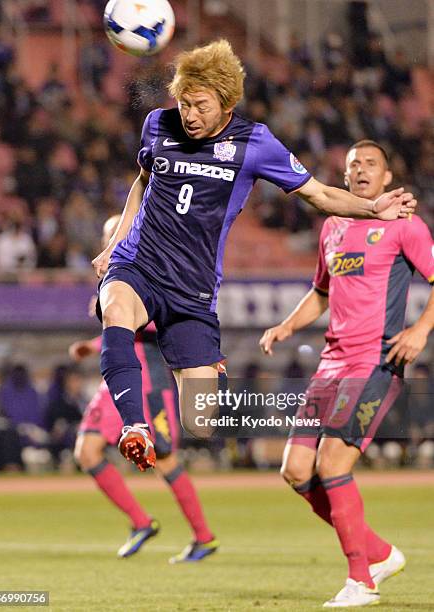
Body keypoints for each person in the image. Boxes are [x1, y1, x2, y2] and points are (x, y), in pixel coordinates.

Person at [91, 40, 416, 471]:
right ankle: (136, 427)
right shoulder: (158, 125)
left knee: (200, 422)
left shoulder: (255, 143)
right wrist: (115, 246)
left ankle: (207, 380)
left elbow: (318, 194)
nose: (189, 115)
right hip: (140, 263)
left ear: (226, 103)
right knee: (115, 310)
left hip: (192, 288)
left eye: (201, 106)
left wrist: (374, 208)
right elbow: (142, 182)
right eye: (184, 103)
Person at [259, 140, 434, 608]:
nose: (359, 170)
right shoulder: (333, 227)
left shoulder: (404, 226)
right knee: (296, 470)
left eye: (370, 165)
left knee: (332, 465)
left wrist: (419, 329)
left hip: (374, 360)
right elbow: (320, 292)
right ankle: (377, 553)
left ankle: (362, 581)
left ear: (386, 179)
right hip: (330, 363)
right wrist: (285, 325)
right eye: (353, 164)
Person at [74, 216, 218, 563]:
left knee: (165, 458)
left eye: (118, 233)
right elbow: (123, 330)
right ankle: (140, 522)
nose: (112, 241)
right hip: (117, 381)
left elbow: (156, 320)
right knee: (86, 451)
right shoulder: (115, 278)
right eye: (108, 235)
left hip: (149, 379)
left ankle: (203, 536)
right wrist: (94, 346)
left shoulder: (153, 269)